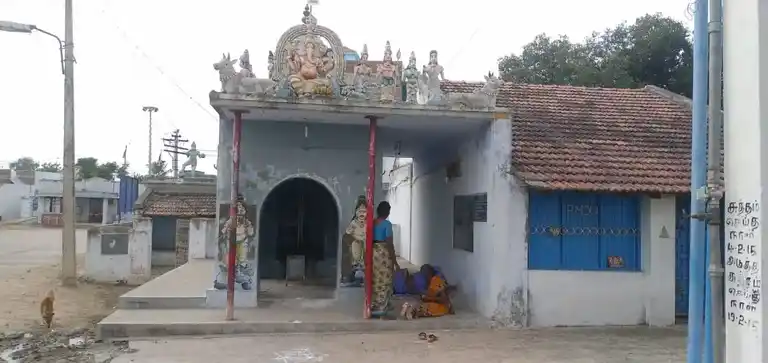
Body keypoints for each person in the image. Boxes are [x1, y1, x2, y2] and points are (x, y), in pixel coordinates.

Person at [371, 201, 399, 317]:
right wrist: (394, 261)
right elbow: (389, 244)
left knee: (376, 277)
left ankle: (375, 303)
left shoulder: (372, 223)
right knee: (386, 279)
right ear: (387, 212)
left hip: (374, 252)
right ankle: (382, 305)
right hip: (383, 253)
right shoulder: (387, 224)